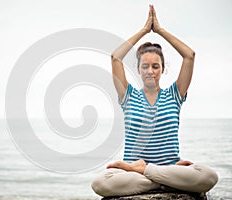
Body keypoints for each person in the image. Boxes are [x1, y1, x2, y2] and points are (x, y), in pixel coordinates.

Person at [91, 5, 218, 197]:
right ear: (139, 70)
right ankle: (164, 182)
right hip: (135, 173)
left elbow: (189, 55)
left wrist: (159, 30)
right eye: (145, 66)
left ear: (162, 69)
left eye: (155, 66)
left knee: (209, 176)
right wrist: (144, 30)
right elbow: (115, 57)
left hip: (158, 169)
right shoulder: (128, 95)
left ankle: (147, 172)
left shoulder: (174, 95)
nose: (150, 71)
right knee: (100, 182)